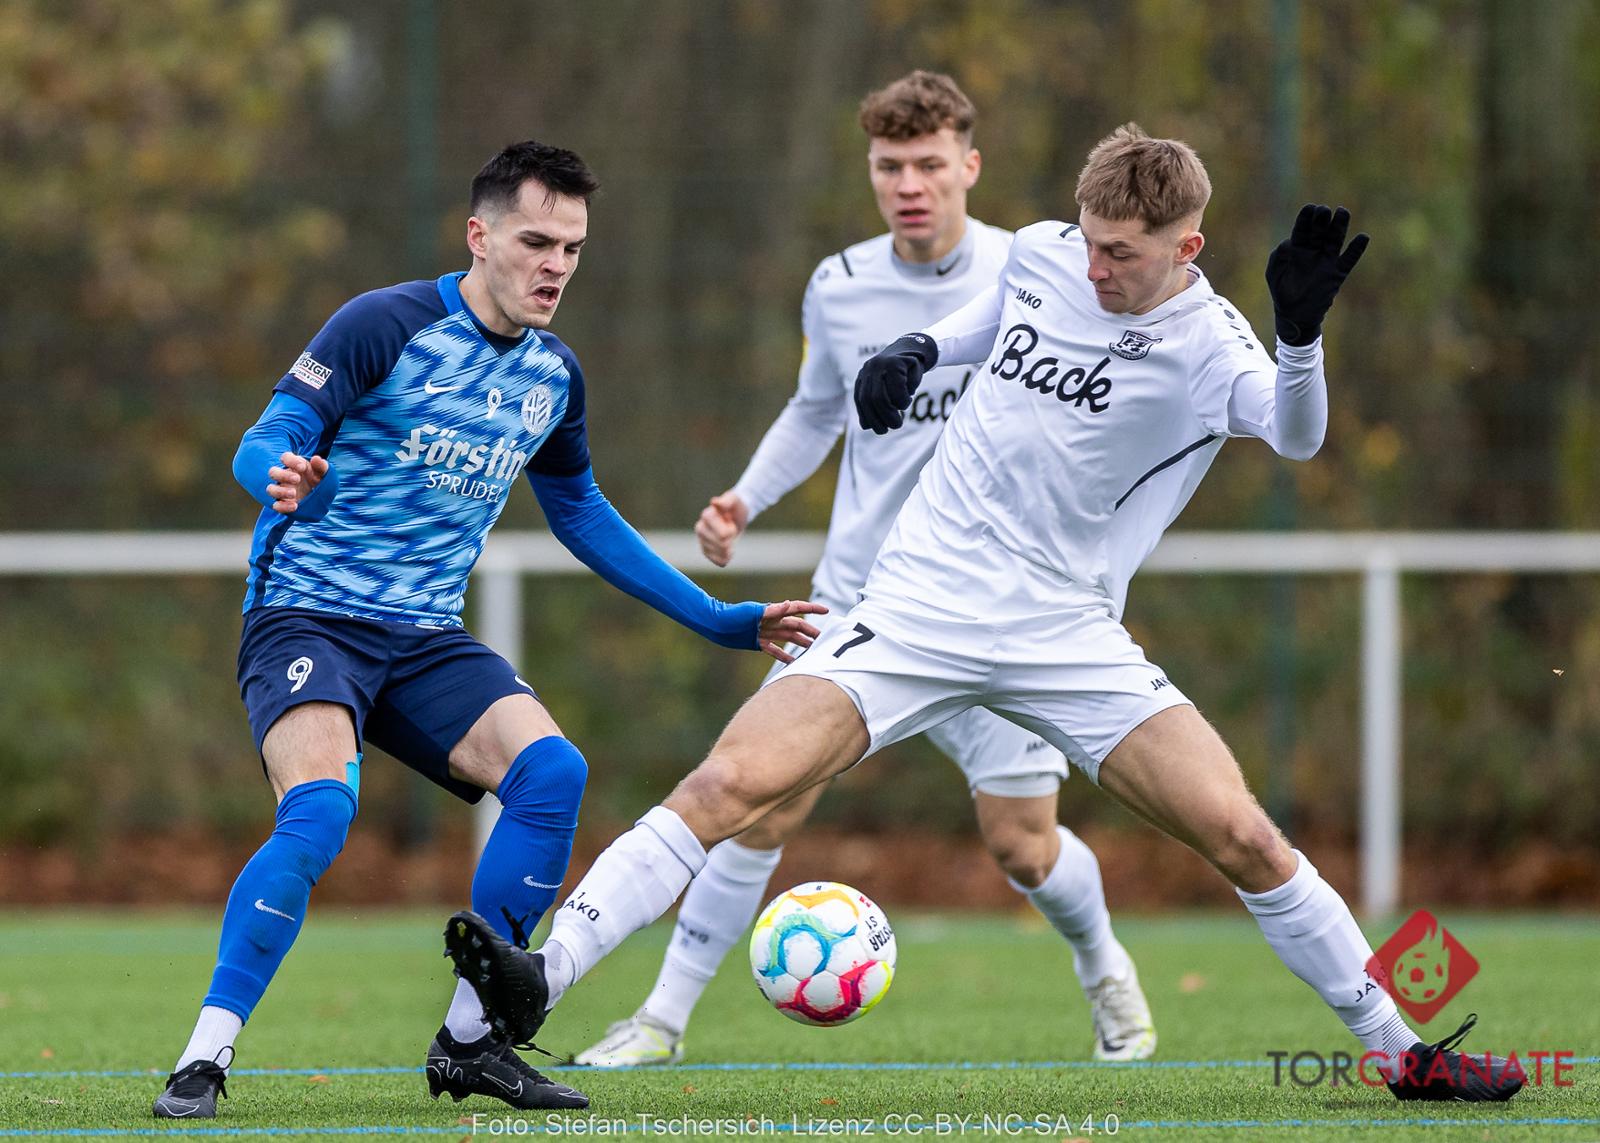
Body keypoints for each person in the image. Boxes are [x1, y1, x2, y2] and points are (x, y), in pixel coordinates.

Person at [447, 126, 1523, 1103]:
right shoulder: (1048, 252)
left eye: (1122, 255)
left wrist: (1300, 338)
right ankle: (547, 976)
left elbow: (1295, 436)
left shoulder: (1212, 345)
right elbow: (998, 310)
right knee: (729, 784)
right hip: (917, 602)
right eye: (1089, 242)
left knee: (1240, 833)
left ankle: (1402, 1052)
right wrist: (919, 350)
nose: (1093, 268)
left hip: (1067, 634)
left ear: (1186, 248)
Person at [151, 140, 823, 1120]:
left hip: (424, 638)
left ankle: (471, 1039)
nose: (556, 266)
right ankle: (203, 1056)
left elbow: (582, 513)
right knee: (321, 814)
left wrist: (718, 618)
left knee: (553, 773)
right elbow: (265, 440)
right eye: (536, 242)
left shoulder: (554, 376)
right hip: (308, 618)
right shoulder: (384, 324)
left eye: (573, 248)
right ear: (479, 235)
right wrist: (283, 476)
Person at [575, 71, 1153, 1071]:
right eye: (890, 167)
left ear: (969, 166)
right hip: (866, 599)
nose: (909, 185)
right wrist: (745, 498)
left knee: (1022, 843)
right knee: (760, 801)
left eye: (929, 164)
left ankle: (1106, 970)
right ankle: (660, 1020)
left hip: (1004, 602)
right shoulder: (840, 285)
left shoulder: (1037, 271)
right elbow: (815, 410)